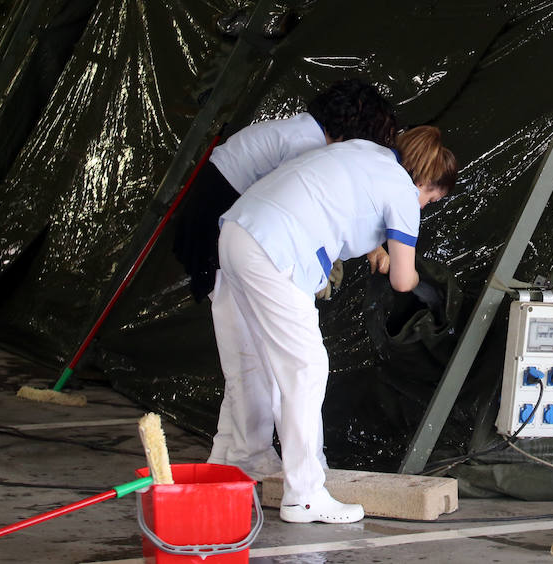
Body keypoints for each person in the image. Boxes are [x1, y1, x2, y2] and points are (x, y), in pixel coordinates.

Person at [211, 125, 458, 523]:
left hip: (237, 230)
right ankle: (305, 494)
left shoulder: (364, 152)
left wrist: (377, 248)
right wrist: (415, 277)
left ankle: (240, 459)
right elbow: (401, 279)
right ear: (425, 181)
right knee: (305, 368)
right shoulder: (403, 193)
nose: (426, 206)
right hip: (276, 248)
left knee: (253, 360)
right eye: (432, 197)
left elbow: (335, 204)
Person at [174, 78, 400, 302]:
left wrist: (374, 248)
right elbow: (295, 212)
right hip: (216, 209)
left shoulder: (306, 128)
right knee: (236, 300)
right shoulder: (309, 145)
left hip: (214, 201)